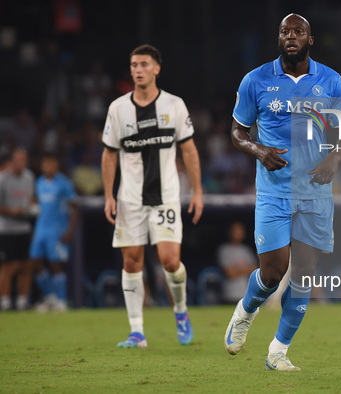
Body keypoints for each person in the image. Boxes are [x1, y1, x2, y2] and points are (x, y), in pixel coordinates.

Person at [224, 14, 341, 371]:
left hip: (314, 192)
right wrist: (260, 151)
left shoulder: (330, 80)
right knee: (272, 273)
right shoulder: (256, 80)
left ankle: (278, 351)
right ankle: (246, 311)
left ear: (311, 39)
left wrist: (334, 159)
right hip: (274, 192)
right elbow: (237, 132)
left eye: (298, 31)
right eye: (284, 32)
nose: (290, 36)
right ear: (278, 39)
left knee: (304, 275)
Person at [101, 45, 204, 348]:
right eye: (134, 65)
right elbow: (108, 155)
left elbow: (189, 150)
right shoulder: (118, 109)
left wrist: (197, 190)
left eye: (144, 64)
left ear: (157, 68)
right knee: (131, 262)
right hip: (130, 199)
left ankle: (181, 310)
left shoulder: (174, 105)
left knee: (170, 261)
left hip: (166, 196)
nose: (138, 70)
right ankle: (137, 332)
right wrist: (108, 195)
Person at [30, 153, 78, 312]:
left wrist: (70, 230)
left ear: (56, 165)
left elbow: (75, 207)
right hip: (40, 228)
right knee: (35, 262)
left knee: (55, 263)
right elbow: (35, 202)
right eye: (45, 163)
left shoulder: (64, 183)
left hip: (57, 229)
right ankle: (50, 296)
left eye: (51, 163)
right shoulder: (39, 183)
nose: (47, 167)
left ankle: (61, 300)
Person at [0, 149, 36, 311]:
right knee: (8, 266)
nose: (21, 163)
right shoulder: (3, 180)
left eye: (24, 160)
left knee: (26, 265)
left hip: (24, 227)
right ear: (12, 161)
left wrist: (32, 207)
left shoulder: (29, 177)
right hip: (7, 229)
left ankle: (22, 300)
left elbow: (31, 198)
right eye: (18, 160)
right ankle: (5, 301)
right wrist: (11, 211)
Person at [218, 222, 258, 304]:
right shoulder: (224, 250)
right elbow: (229, 273)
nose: (238, 233)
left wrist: (237, 270)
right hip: (230, 294)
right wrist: (246, 269)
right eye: (235, 231)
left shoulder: (246, 250)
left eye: (240, 231)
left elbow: (255, 269)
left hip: (246, 294)